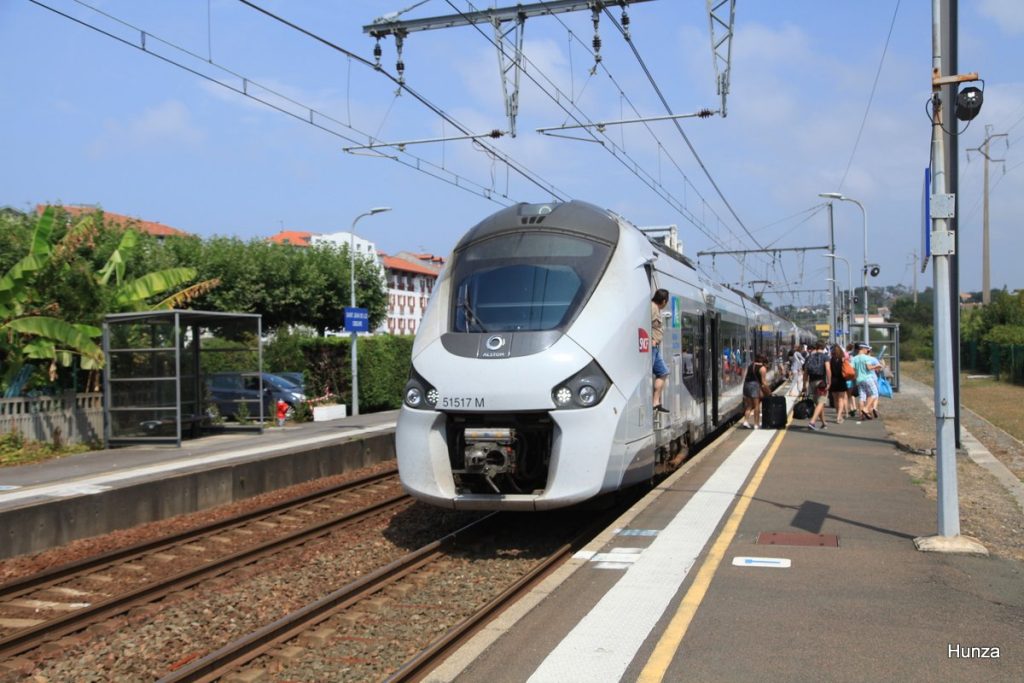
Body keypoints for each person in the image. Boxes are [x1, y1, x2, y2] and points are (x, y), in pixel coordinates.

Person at [851, 342, 882, 420]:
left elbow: (853, 369)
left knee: (862, 397)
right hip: (868, 378)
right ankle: (866, 409)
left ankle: (861, 415)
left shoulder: (854, 358)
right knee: (874, 394)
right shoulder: (866, 358)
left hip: (859, 380)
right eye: (866, 349)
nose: (867, 350)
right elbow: (868, 368)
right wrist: (876, 366)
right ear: (863, 349)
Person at [651, 289, 670, 413]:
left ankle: (656, 402)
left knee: (663, 371)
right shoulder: (652, 308)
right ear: (663, 301)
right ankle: (653, 402)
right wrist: (651, 339)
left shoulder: (656, 309)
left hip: (655, 347)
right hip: (651, 347)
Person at [741, 354, 769, 429]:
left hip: (746, 385)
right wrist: (768, 391)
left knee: (749, 405)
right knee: (756, 406)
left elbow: (746, 376)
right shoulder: (762, 368)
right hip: (754, 386)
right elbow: (764, 382)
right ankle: (756, 424)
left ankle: (745, 421)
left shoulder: (751, 365)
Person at [827, 344, 849, 423]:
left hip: (833, 381)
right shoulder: (843, 359)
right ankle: (839, 416)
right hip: (841, 380)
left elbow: (828, 371)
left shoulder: (830, 360)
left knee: (835, 400)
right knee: (841, 399)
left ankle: (838, 414)